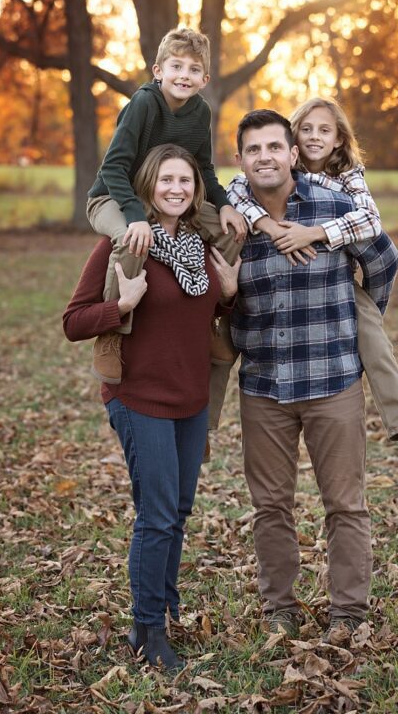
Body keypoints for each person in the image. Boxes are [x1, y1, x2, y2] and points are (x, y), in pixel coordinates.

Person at [64, 145, 240, 670]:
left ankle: (162, 605)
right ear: (148, 184)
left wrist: (229, 293)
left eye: (185, 180)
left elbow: (207, 317)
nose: (176, 189)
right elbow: (74, 321)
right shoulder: (124, 243)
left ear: (196, 190)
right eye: (166, 179)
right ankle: (146, 631)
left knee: (177, 513)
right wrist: (123, 304)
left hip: (192, 401)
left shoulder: (202, 245)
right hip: (139, 398)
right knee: (158, 515)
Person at [229, 109, 398, 642]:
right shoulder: (233, 218)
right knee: (270, 506)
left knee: (345, 504)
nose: (265, 158)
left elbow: (385, 260)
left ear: (293, 153)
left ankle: (348, 614)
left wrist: (358, 316)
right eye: (253, 150)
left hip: (334, 382)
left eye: (274, 147)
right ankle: (280, 608)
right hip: (263, 385)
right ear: (241, 160)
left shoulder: (336, 207)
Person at [215, 96, 398, 475]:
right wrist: (269, 226)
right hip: (262, 296)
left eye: (324, 130)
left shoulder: (348, 178)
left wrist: (317, 234)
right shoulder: (267, 169)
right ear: (293, 141)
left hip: (335, 285)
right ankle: (201, 431)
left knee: (372, 338)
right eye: (305, 129)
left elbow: (372, 225)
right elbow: (237, 190)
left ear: (340, 138)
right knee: (218, 340)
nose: (313, 137)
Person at [85, 27, 246, 385]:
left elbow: (203, 167)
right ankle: (112, 334)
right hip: (112, 196)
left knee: (232, 231)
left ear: (204, 79)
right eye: (176, 66)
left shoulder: (201, 113)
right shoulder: (144, 104)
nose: (183, 76)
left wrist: (224, 206)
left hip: (163, 196)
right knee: (131, 238)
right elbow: (112, 168)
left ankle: (211, 320)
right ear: (158, 70)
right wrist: (136, 216)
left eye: (193, 70)